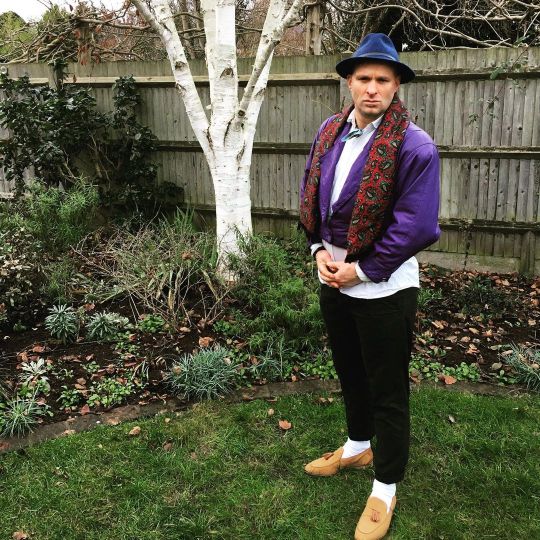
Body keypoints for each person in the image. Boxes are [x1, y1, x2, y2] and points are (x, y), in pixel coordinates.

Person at [299, 33, 440, 540]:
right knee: (350, 371)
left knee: (387, 389)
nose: (372, 88)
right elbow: (312, 195)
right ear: (349, 82)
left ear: (397, 84)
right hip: (333, 279)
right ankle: (358, 447)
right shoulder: (330, 132)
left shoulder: (414, 146)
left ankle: (385, 487)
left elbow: (415, 226)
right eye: (363, 78)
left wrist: (360, 270)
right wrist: (317, 250)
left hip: (384, 289)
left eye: (383, 79)